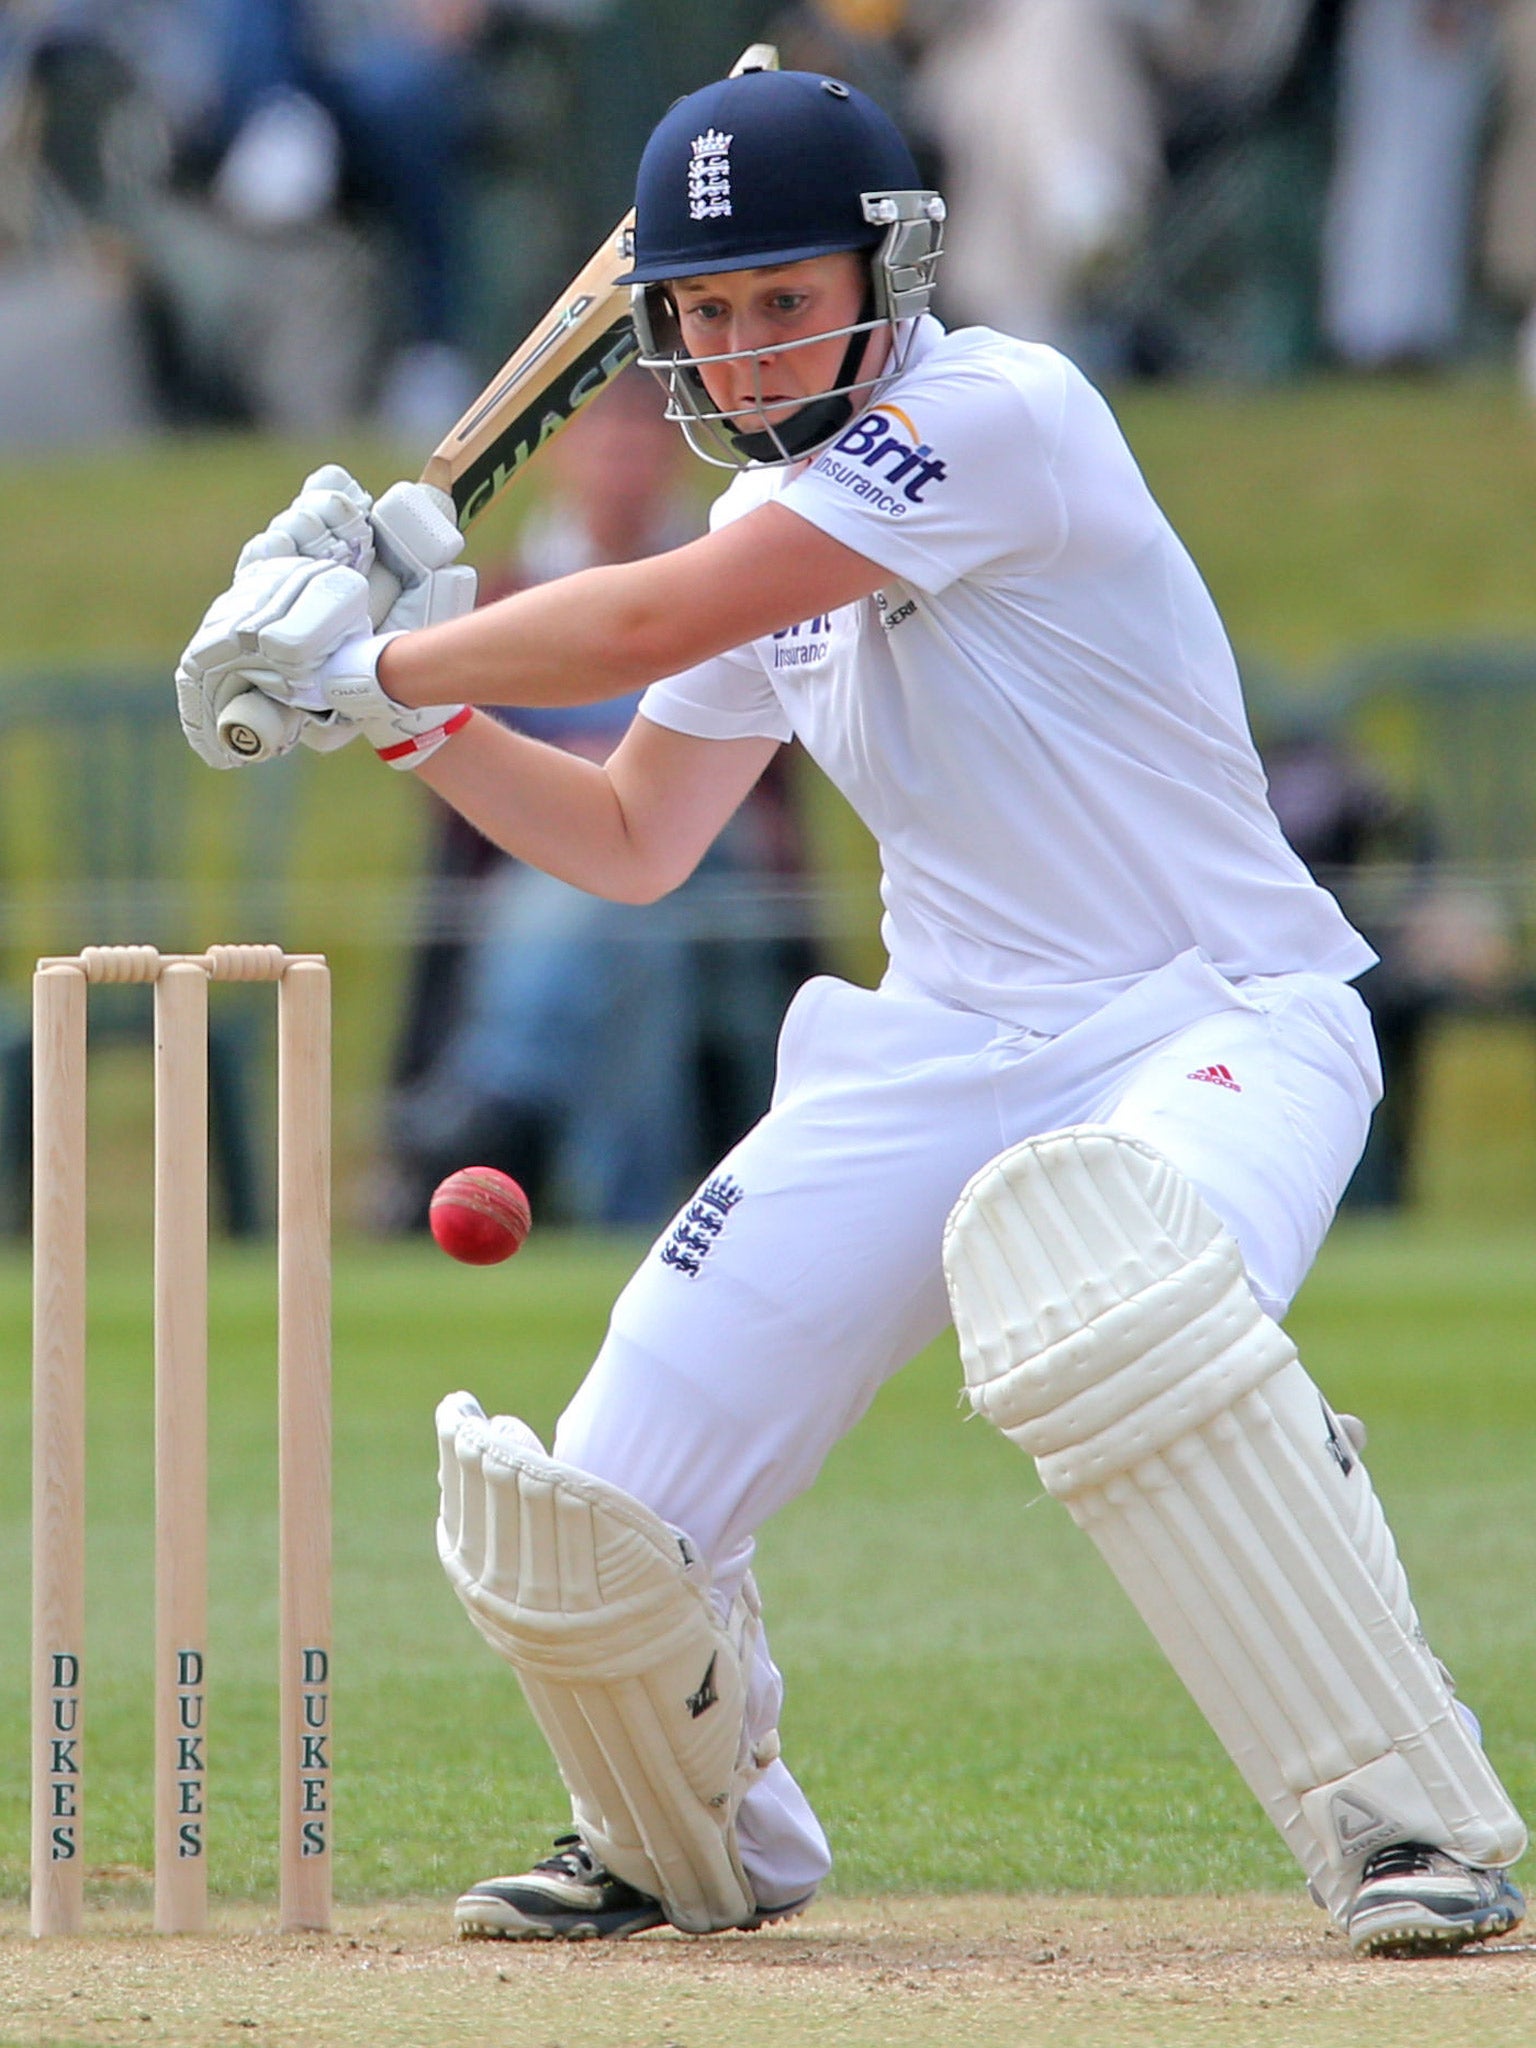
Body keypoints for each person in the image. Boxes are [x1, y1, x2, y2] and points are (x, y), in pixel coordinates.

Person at [173, 66, 1527, 1959]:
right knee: (590, 1502)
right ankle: (686, 1835)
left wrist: (370, 643)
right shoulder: (783, 538)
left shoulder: (999, 413)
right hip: (940, 1047)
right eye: (707, 316)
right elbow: (636, 830)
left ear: (889, 275)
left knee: (1109, 1286)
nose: (739, 351)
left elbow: (652, 615)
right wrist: (399, 716)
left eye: (781, 302)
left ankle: (1412, 1821)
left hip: (1212, 1020)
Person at [386, 371, 811, 1228]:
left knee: (621, 902)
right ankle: (631, 1207)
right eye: (601, 437)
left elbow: (766, 778)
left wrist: (641, 771)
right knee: (624, 933)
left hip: (706, 858)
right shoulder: (502, 596)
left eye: (640, 436)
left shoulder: (724, 582)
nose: (621, 457)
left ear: (673, 455)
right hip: (560, 865)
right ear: (562, 458)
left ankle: (489, 1092)